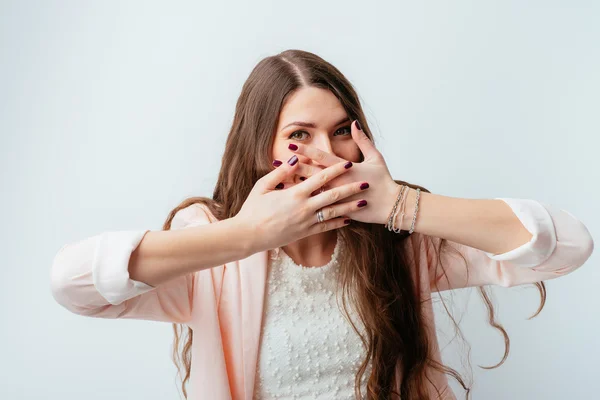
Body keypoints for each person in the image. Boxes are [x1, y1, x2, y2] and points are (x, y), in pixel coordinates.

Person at [50, 49, 594, 400]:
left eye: (340, 132)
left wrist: (401, 206)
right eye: (299, 136)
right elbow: (73, 285)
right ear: (262, 145)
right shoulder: (212, 241)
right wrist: (250, 235)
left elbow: (566, 245)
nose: (328, 156)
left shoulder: (399, 238)